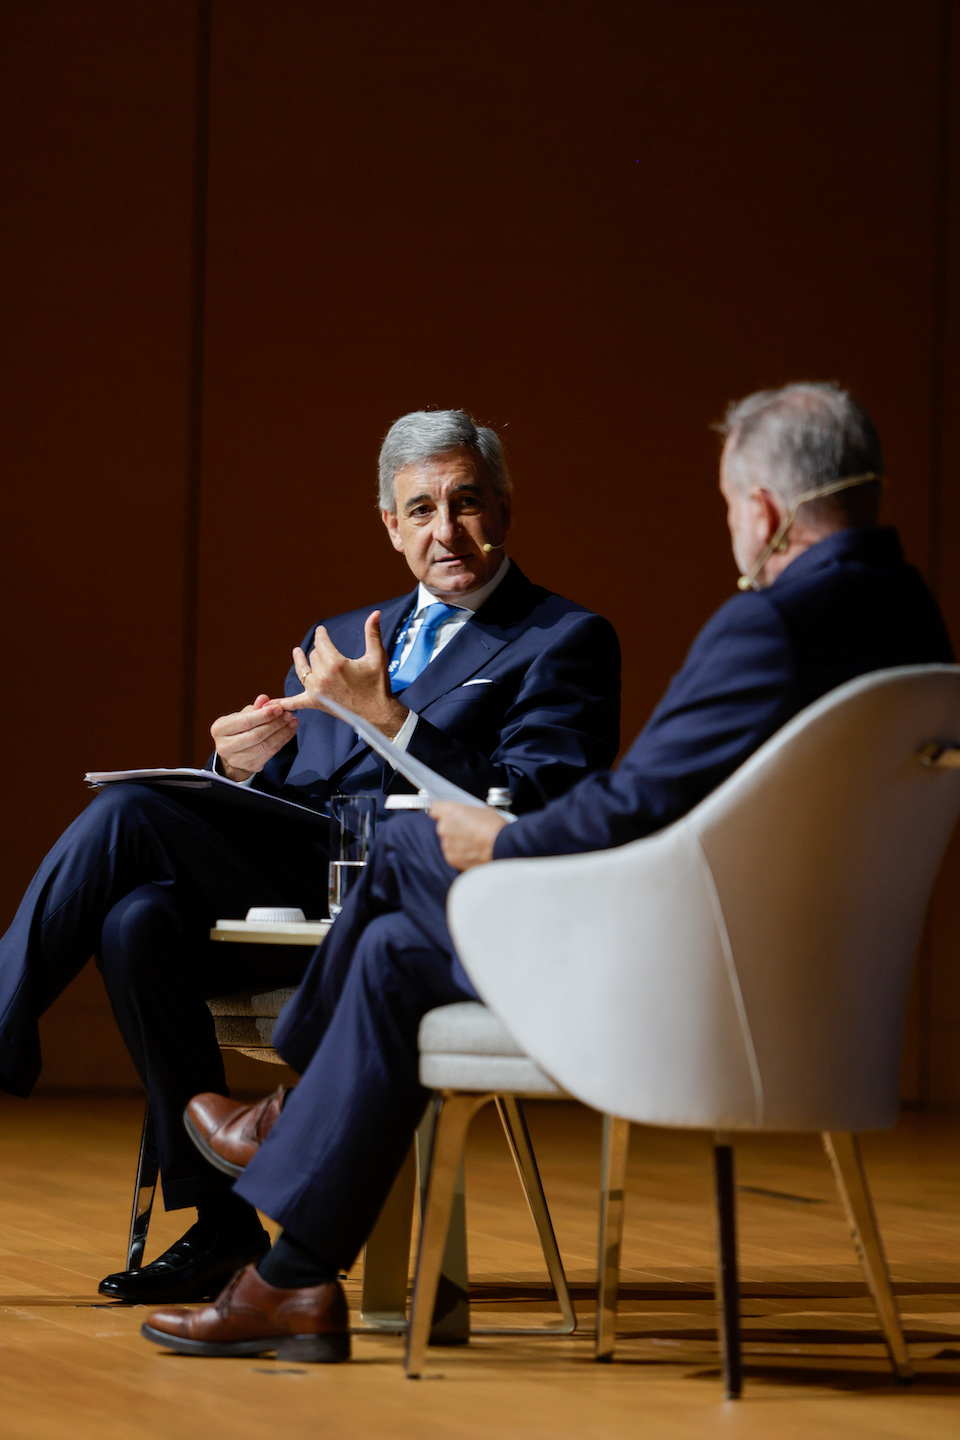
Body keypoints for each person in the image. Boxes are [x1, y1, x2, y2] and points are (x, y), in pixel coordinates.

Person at [146, 381, 953, 1363]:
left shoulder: (773, 624)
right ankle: (293, 1282)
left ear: (763, 511)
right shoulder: (913, 617)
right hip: (802, 983)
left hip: (685, 971)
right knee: (397, 951)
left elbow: (633, 807)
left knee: (408, 844)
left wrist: (500, 841)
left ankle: (284, 1114)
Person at [0, 409, 621, 1303]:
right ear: (389, 526)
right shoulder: (339, 635)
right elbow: (287, 809)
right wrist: (236, 766)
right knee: (138, 921)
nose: (444, 532)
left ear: (505, 510)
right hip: (301, 893)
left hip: (422, 915)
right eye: (420, 510)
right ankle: (220, 1229)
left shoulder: (563, 639)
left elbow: (537, 808)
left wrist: (394, 720)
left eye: (467, 503)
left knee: (133, 814)